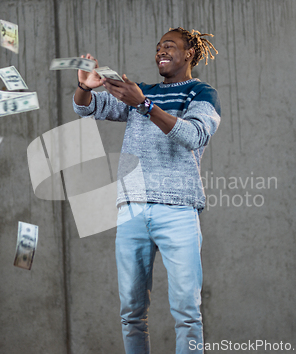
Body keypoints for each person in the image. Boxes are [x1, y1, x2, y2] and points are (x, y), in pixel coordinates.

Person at [73, 27, 221, 354]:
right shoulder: (139, 91)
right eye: (157, 48)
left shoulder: (202, 92)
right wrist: (84, 86)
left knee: (187, 311)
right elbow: (85, 108)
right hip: (132, 210)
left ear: (189, 54)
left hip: (178, 210)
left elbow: (194, 136)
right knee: (131, 313)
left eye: (169, 46)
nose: (160, 52)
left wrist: (145, 105)